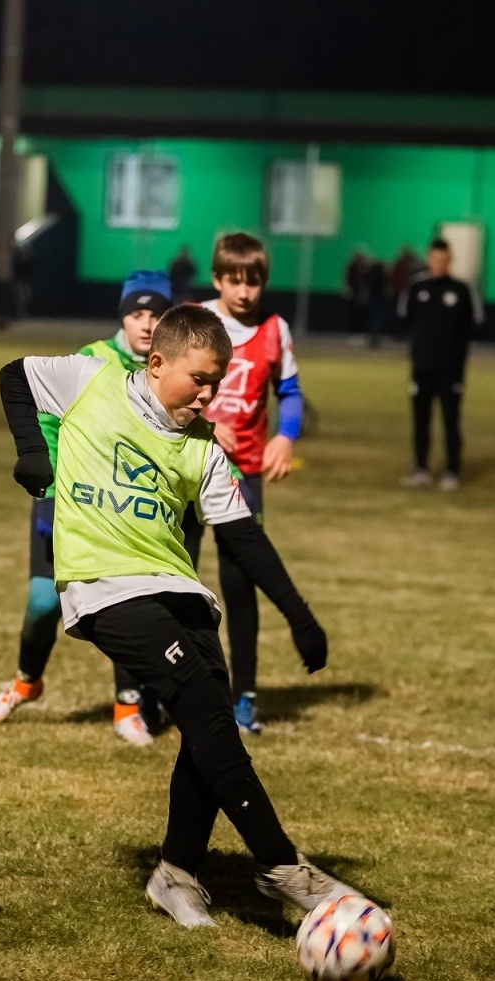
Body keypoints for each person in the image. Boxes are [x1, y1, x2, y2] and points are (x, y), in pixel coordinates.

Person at [0, 304, 363, 927]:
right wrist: (34, 451)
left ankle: (176, 873)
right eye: (199, 378)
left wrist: (299, 614)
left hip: (178, 589)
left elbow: (243, 538)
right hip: (105, 586)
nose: (210, 392)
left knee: (208, 721)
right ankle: (282, 867)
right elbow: (13, 374)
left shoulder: (203, 447)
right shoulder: (94, 378)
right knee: (199, 701)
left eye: (218, 380)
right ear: (157, 362)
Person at [0, 271, 173, 745]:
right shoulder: (92, 359)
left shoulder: (171, 370)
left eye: (155, 314)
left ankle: (128, 707)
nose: (146, 324)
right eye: (136, 313)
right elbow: (47, 416)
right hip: (68, 499)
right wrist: (49, 485)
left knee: (129, 601)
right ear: (122, 315)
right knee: (44, 603)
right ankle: (27, 682)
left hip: (128, 509)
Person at [190, 232, 306, 735]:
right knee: (175, 581)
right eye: (234, 280)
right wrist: (208, 424)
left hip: (245, 476)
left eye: (253, 281)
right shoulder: (194, 321)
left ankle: (244, 697)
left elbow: (292, 392)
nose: (244, 291)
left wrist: (286, 435)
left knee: (240, 585)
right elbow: (159, 390)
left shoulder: (274, 330)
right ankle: (168, 691)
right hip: (186, 469)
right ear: (217, 279)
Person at [401, 239, 476, 491]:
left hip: (450, 371)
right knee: (420, 420)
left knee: (450, 421)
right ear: (428, 258)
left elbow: (475, 326)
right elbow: (406, 320)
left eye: (443, 260)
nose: (439, 264)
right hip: (422, 368)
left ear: (449, 260)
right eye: (435, 259)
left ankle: (452, 471)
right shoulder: (417, 288)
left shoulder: (462, 290)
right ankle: (421, 468)